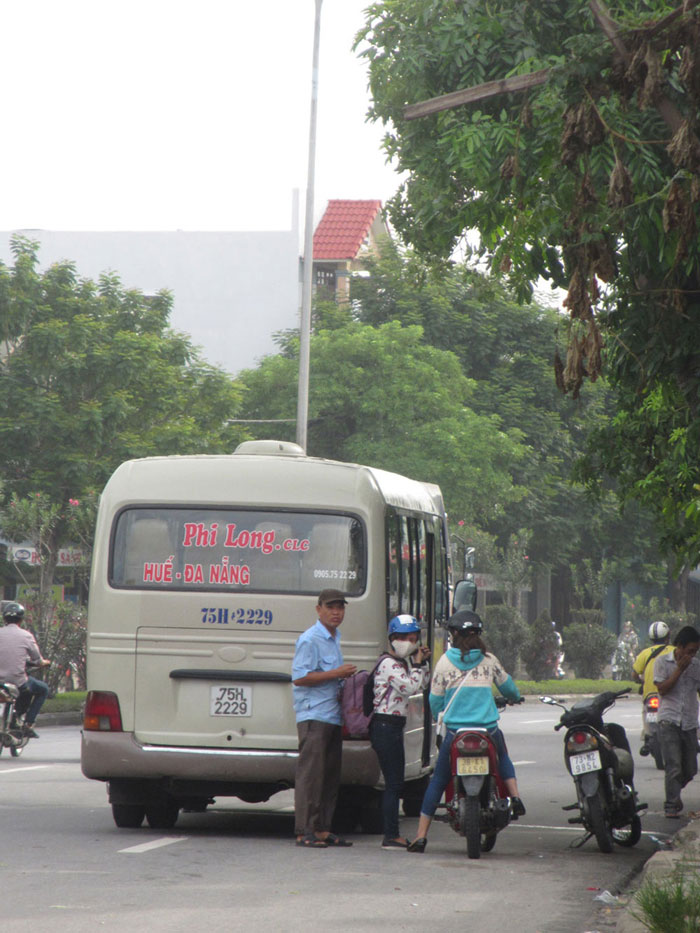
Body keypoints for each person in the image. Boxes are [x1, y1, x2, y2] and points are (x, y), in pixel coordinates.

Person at [407, 609, 525, 853]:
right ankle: (515, 798)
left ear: (452, 635)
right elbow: (510, 689)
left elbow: (435, 703)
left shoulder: (444, 663)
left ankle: (420, 836)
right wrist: (515, 697)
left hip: (455, 734)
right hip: (487, 729)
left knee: (439, 779)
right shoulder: (489, 660)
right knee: (503, 757)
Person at [291, 588, 357, 848]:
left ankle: (322, 829)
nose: (336, 612)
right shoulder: (310, 639)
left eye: (340, 607)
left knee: (329, 776)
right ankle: (304, 830)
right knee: (311, 775)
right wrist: (337, 673)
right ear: (318, 609)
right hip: (313, 714)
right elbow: (300, 677)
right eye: (330, 607)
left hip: (332, 714)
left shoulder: (334, 637)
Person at [368, 614, 431, 850]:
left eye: (412, 637)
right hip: (385, 726)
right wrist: (416, 666)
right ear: (392, 638)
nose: (407, 641)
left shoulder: (402, 663)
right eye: (402, 637)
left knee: (395, 782)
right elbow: (410, 687)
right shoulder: (388, 664)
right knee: (393, 784)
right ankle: (391, 835)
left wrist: (420, 664)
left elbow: (422, 682)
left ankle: (391, 833)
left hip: (393, 727)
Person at [653, 625, 700, 818]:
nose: (691, 655)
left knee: (690, 768)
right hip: (669, 720)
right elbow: (662, 689)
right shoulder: (662, 662)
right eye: (689, 651)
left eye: (695, 651)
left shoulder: (697, 665)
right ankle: (671, 805)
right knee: (673, 765)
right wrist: (679, 670)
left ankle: (674, 791)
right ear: (679, 646)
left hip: (689, 721)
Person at [0, 601, 50, 738]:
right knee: (43, 689)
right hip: (17, 681)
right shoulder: (26, 635)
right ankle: (28, 723)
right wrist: (44, 662)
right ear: (21, 620)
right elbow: (37, 659)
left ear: (4, 618)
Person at [632, 621, 673, 756]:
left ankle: (648, 735)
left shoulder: (644, 653)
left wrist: (641, 682)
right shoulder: (674, 651)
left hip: (650, 694)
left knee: (646, 713)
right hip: (668, 693)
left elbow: (635, 674)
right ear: (668, 636)